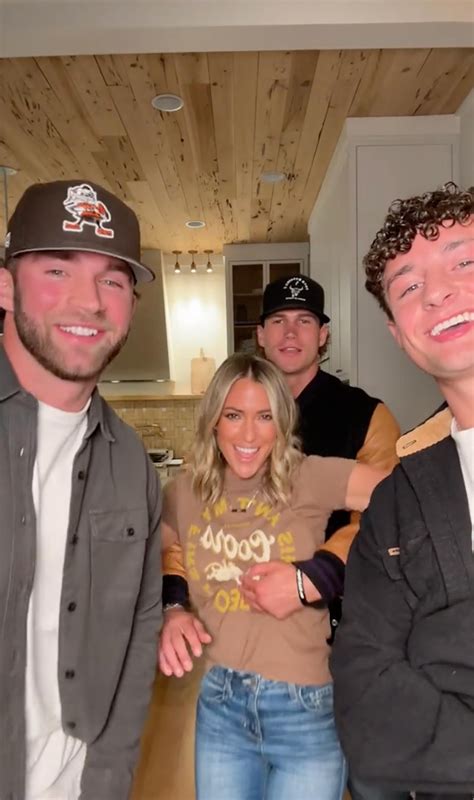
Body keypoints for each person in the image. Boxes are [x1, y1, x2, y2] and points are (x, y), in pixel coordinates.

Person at [159, 352, 388, 800]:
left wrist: (321, 573)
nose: (249, 434)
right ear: (213, 421)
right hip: (220, 708)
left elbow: (407, 496)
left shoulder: (309, 477)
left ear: (282, 423)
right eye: (234, 415)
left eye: (265, 416)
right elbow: (149, 549)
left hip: (304, 710)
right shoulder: (184, 493)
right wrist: (173, 606)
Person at [0, 180, 162, 800]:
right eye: (57, 270)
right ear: (7, 286)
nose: (88, 301)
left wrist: (108, 777)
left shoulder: (130, 461)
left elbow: (140, 627)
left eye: (112, 281)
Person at [331, 183, 474, 800]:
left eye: (464, 262)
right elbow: (367, 700)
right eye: (409, 287)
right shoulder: (400, 499)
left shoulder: (363, 414)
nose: (437, 292)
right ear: (397, 332)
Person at [251, 274, 402, 800]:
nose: (291, 332)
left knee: (355, 768)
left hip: (343, 625)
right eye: (278, 321)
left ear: (324, 335)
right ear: (261, 335)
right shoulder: (238, 412)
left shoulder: (366, 415)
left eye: (305, 320)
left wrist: (318, 573)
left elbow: (383, 513)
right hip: (254, 626)